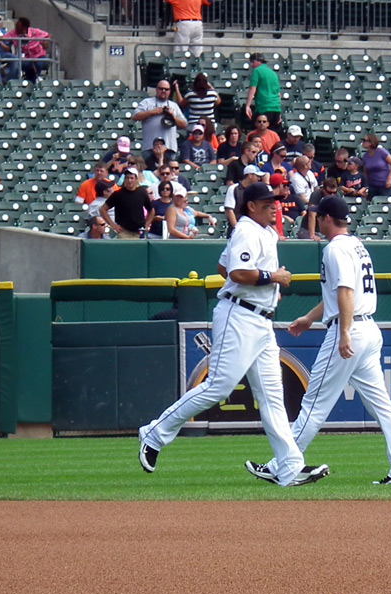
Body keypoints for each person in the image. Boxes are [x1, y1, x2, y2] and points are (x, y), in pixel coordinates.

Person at [138, 181, 329, 487]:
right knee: (218, 387)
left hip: (261, 320)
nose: (274, 207)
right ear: (251, 206)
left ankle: (290, 466)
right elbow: (237, 274)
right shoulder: (246, 230)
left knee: (272, 397)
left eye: (275, 202)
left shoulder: (265, 232)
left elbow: (224, 266)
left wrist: (269, 287)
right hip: (239, 315)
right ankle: (154, 432)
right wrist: (272, 277)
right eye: (267, 204)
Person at [245, 195, 391, 486]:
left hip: (349, 330)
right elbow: (341, 295)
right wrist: (310, 318)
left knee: (314, 404)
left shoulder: (335, 250)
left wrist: (345, 332)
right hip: (368, 329)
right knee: (383, 407)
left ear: (326, 218)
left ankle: (281, 466)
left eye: (318, 217)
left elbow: (346, 293)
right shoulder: (356, 246)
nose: (316, 221)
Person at [132, 80, 188, 152]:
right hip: (150, 148)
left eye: (166, 89)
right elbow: (135, 117)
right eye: (161, 88)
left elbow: (184, 124)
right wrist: (152, 112)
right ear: (156, 89)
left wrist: (173, 116)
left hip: (169, 148)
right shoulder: (147, 102)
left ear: (170, 91)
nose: (163, 91)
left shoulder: (174, 106)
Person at [100, 167, 153, 239]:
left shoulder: (142, 193)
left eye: (132, 178)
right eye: (127, 178)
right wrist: (113, 225)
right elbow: (103, 209)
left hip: (139, 232)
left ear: (136, 179)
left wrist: (147, 224)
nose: (129, 180)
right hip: (124, 232)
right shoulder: (118, 194)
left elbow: (151, 210)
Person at [3, 17, 49, 83]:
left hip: (38, 56)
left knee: (38, 65)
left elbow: (48, 35)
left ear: (24, 28)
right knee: (18, 65)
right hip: (24, 58)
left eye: (17, 26)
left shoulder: (34, 32)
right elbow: (4, 38)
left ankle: (31, 83)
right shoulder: (13, 33)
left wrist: (46, 42)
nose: (15, 27)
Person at [244, 53, 281, 132]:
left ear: (258, 61)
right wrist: (279, 111)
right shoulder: (273, 73)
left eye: (252, 62)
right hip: (276, 109)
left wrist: (248, 106)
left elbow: (252, 88)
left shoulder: (257, 71)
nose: (251, 64)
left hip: (264, 107)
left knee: (258, 134)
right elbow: (278, 94)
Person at [223, 163, 262, 232]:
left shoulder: (256, 190)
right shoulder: (234, 189)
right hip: (237, 230)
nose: (259, 179)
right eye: (257, 176)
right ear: (250, 175)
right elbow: (229, 210)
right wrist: (237, 229)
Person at [360, 134, 391, 200]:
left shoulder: (381, 152)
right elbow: (366, 172)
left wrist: (389, 179)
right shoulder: (365, 156)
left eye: (364, 140)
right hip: (373, 185)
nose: (362, 142)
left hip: (385, 185)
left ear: (371, 142)